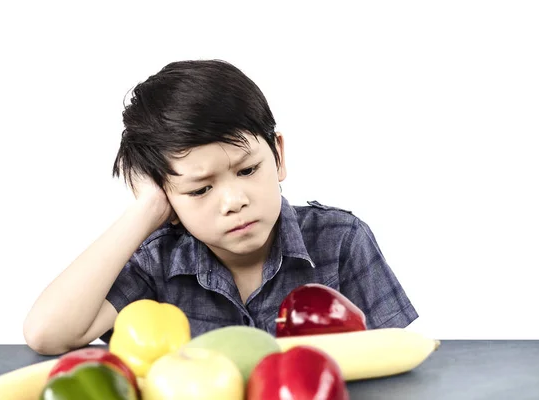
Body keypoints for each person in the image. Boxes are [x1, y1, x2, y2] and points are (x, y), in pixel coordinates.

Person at [23, 59, 418, 355]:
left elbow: (392, 358)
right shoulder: (158, 260)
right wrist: (145, 211)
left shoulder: (340, 240)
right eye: (199, 190)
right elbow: (48, 333)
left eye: (247, 170)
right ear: (168, 198)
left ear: (277, 157)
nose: (234, 201)